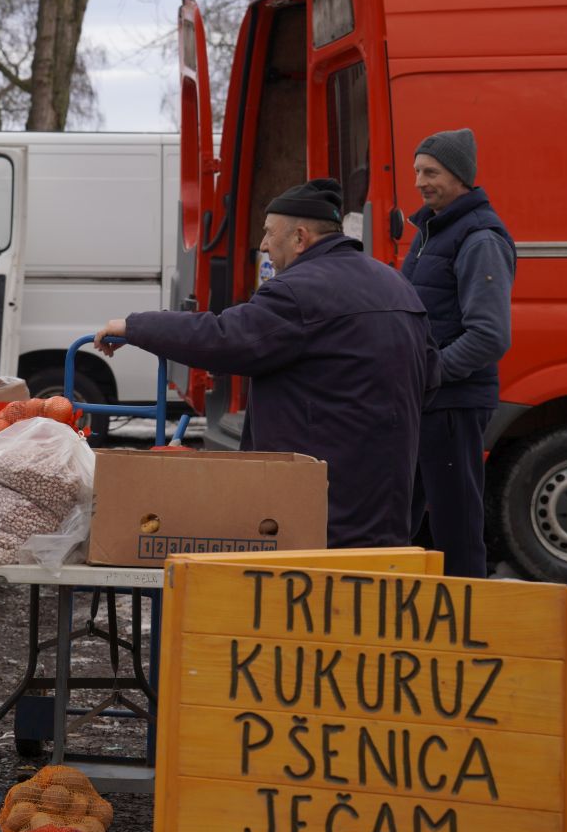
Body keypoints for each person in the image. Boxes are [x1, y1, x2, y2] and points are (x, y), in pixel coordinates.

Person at [94, 178, 440, 548]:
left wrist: (134, 326)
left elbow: (224, 337)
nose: (263, 245)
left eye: (268, 233)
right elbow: (431, 377)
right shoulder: (396, 285)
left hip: (322, 505)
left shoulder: (298, 290)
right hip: (388, 501)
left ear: (300, 238)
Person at [402, 129, 516, 578]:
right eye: (417, 170)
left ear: (461, 177)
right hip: (426, 401)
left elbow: (489, 335)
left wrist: (431, 372)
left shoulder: (480, 238)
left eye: (431, 172)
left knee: (456, 524)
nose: (419, 181)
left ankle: (469, 616)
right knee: (406, 520)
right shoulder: (433, 229)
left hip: (453, 402)